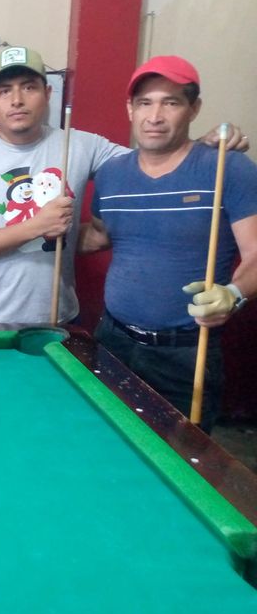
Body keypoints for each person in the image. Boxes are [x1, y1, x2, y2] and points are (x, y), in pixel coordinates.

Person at [0, 46, 248, 325]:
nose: (17, 100)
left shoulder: (82, 145)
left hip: (61, 318)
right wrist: (36, 226)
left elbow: (155, 159)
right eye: (4, 91)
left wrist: (201, 145)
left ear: (47, 93)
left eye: (29, 87)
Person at [80, 56, 257, 432]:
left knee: (178, 452)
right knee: (104, 440)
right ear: (130, 109)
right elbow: (98, 236)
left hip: (186, 351)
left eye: (171, 102)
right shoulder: (111, 175)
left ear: (194, 109)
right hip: (112, 340)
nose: (155, 116)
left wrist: (234, 294)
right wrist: (37, 231)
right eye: (145, 103)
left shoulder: (227, 168)